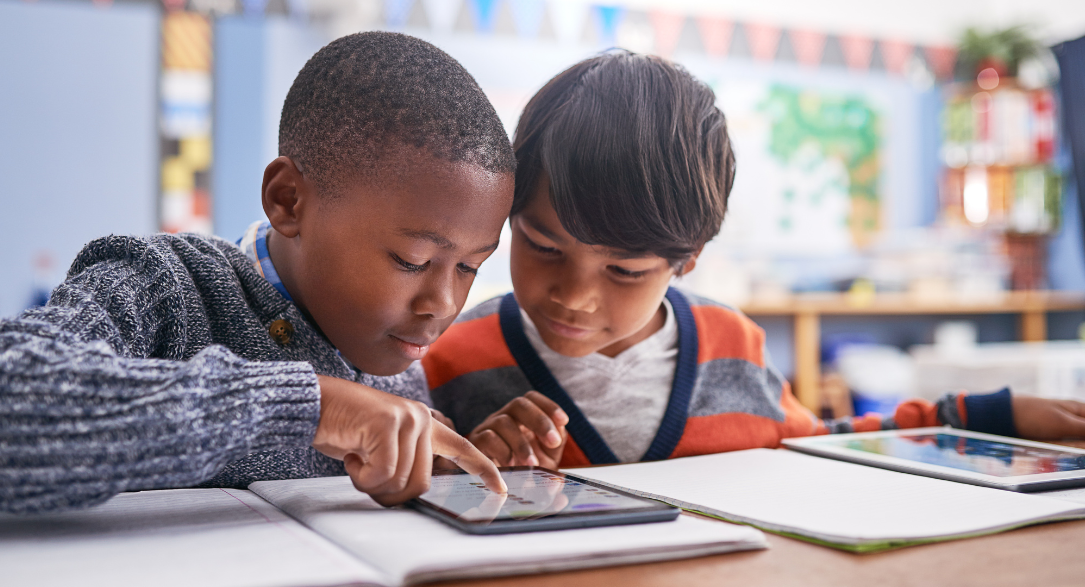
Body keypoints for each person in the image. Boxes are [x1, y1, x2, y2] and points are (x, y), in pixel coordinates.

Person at [0, 32, 512, 513]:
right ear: (289, 200)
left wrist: (455, 466)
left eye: (470, 269)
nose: (441, 302)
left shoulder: (398, 363)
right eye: (412, 261)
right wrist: (307, 406)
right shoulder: (164, 287)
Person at [421, 51, 1085, 470]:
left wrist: (979, 418)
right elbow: (396, 483)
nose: (574, 295)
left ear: (689, 259)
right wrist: (462, 468)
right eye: (542, 246)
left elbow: (827, 444)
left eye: (624, 271)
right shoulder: (450, 359)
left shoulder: (733, 346)